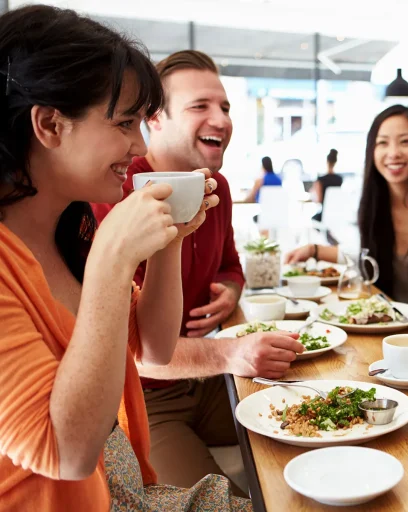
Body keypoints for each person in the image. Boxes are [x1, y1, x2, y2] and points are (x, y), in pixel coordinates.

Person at [0, 5, 249, 511]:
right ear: (49, 124)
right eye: (125, 123)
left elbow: (153, 348)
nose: (139, 142)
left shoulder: (73, 228)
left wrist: (170, 240)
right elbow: (65, 453)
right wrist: (112, 261)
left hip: (120, 486)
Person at [92, 50, 304, 496]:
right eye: (200, 106)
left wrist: (228, 291)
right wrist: (230, 352)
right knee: (223, 502)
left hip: (207, 381)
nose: (221, 119)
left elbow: (231, 266)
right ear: (154, 120)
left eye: (225, 107)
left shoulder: (216, 187)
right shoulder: (114, 191)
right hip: (147, 398)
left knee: (310, 424)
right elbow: (135, 348)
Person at [286, 105, 408, 334]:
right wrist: (314, 250)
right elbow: (365, 257)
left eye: (405, 141)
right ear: (372, 151)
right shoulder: (371, 203)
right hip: (387, 326)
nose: (393, 153)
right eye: (383, 143)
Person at [311, 148, 343, 220]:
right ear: (336, 162)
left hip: (324, 215)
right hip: (337, 215)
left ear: (326, 162)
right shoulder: (340, 179)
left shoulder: (320, 180)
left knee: (313, 219)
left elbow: (318, 200)